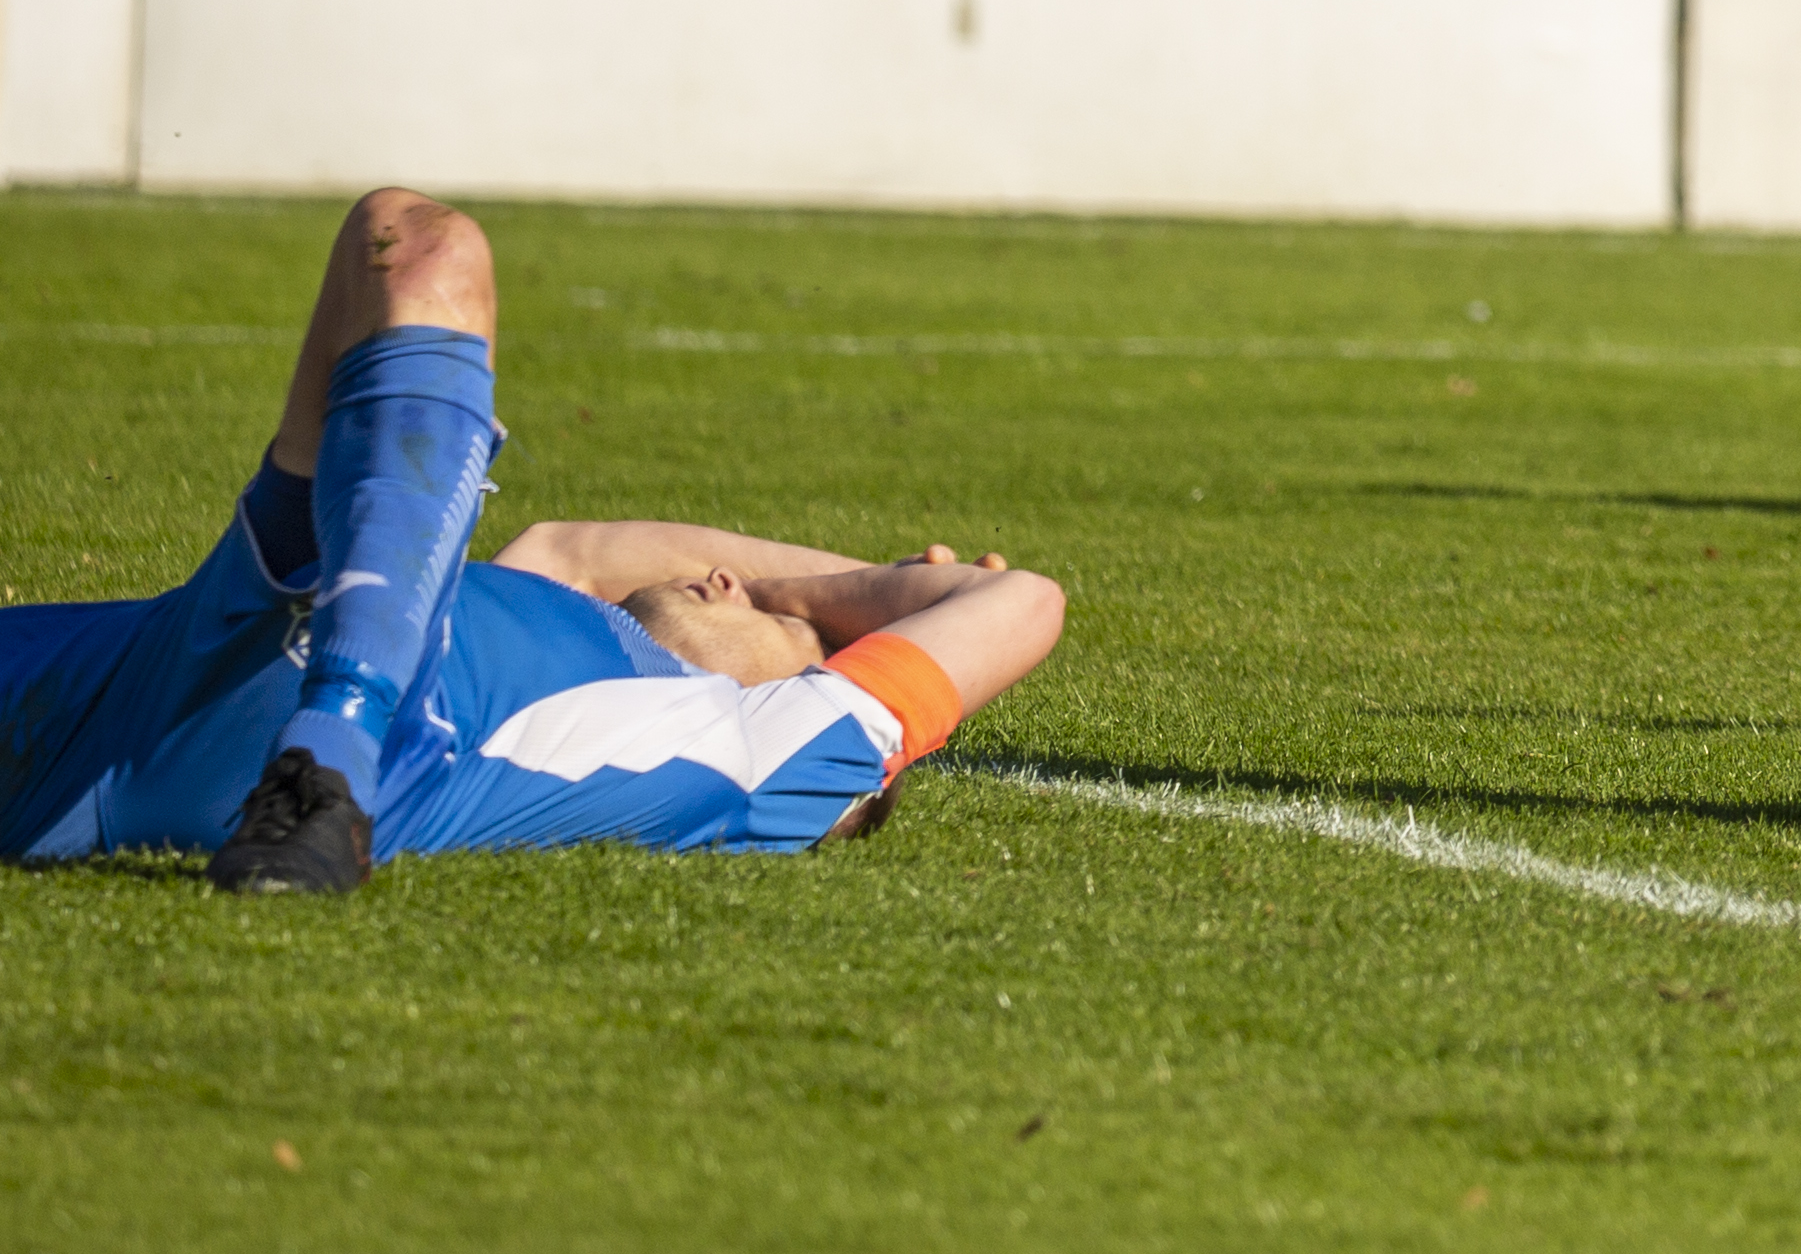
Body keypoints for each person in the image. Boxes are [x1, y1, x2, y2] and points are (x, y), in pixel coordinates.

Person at [2, 188, 1064, 895]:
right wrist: (807, 592)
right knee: (400, 234)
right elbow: (570, 546)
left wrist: (849, 604)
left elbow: (1025, 603)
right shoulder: (531, 596)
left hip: (354, 745)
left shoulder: (773, 758)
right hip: (144, 674)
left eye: (775, 620)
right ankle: (321, 755)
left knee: (434, 247)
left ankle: (328, 759)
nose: (723, 579)